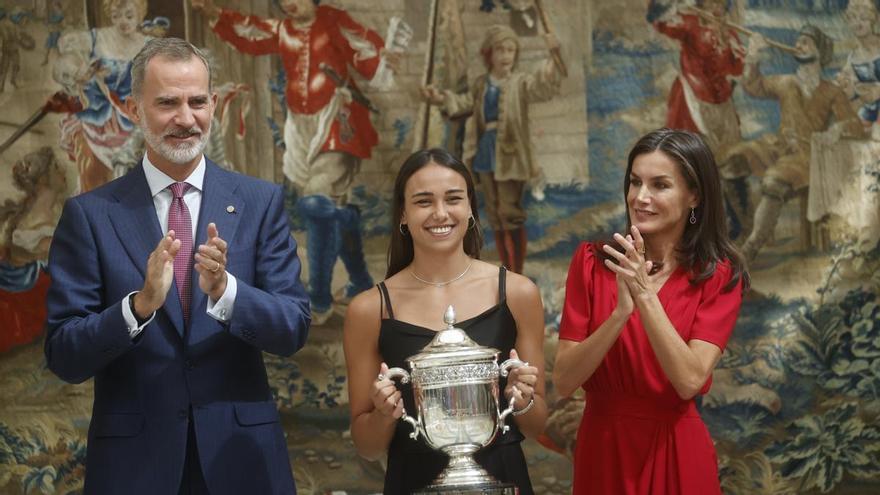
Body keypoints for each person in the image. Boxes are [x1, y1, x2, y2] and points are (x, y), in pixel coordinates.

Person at [44, 37, 311, 494]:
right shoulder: (90, 215)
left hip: (241, 461)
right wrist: (139, 307)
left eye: (197, 101)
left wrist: (227, 291)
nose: (186, 119)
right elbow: (65, 354)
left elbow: (293, 328)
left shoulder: (259, 202)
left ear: (213, 105)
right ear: (133, 109)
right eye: (167, 103)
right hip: (135, 468)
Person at [553, 128, 749, 494]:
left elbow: (689, 380)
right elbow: (563, 382)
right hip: (602, 448)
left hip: (675, 450)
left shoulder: (719, 276)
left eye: (660, 185)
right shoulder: (592, 263)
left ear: (694, 196)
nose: (641, 197)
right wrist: (618, 317)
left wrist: (644, 295)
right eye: (635, 182)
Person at [343, 148, 546, 494]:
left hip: (502, 479)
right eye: (423, 202)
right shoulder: (369, 309)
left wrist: (522, 397)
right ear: (403, 215)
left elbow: (539, 425)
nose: (440, 213)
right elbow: (368, 445)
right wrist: (383, 414)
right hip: (412, 481)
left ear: (470, 208)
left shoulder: (518, 292)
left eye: (453, 199)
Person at [192, 0, 403, 324]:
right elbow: (250, 29)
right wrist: (215, 15)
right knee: (330, 207)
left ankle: (318, 299)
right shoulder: (283, 29)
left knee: (316, 204)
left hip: (336, 121)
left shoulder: (334, 21)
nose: (289, 3)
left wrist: (380, 59)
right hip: (301, 131)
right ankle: (360, 279)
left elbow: (367, 51)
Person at [422, 25, 563, 274]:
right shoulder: (481, 84)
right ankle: (506, 268)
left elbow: (543, 87)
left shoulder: (521, 82)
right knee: (496, 214)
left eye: (511, 50)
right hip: (485, 152)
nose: (506, 55)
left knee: (510, 212)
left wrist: (553, 57)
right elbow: (464, 103)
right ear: (490, 54)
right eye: (500, 50)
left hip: (511, 155)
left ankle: (516, 271)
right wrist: (440, 99)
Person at [724, 25, 866, 261]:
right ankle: (742, 230)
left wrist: (837, 129)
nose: (798, 45)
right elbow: (753, 87)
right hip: (778, 146)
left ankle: (749, 250)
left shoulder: (831, 91)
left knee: (774, 182)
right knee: (732, 161)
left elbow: (855, 125)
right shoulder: (786, 81)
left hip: (807, 156)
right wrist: (754, 56)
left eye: (805, 42)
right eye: (798, 42)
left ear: (820, 52)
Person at [53, 0, 150, 192]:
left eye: (129, 16)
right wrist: (79, 70)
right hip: (99, 112)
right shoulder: (98, 38)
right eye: (116, 16)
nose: (122, 21)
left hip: (134, 115)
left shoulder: (148, 45)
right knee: (84, 140)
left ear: (140, 14)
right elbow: (65, 47)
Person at [836, 0, 880, 136]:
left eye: (863, 18)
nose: (858, 23)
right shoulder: (853, 58)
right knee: (844, 128)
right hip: (868, 111)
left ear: (873, 20)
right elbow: (850, 92)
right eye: (853, 18)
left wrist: (876, 92)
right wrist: (844, 83)